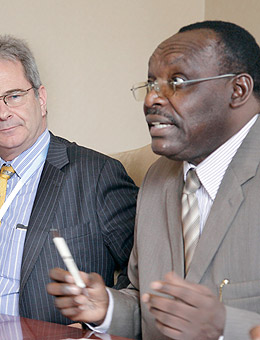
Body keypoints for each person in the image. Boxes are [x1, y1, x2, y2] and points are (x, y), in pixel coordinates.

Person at [47, 20, 260, 339]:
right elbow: (145, 305)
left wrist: (226, 326)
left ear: (238, 90)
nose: (151, 100)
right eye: (150, 85)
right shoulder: (157, 177)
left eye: (176, 81)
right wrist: (106, 308)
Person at [0, 35, 138, 324]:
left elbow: (143, 273)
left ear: (41, 98)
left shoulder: (96, 174)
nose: (2, 113)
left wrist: (93, 325)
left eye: (14, 95)